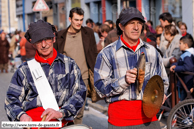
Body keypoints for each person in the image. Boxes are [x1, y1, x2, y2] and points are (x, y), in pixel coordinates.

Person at [94, 7, 169, 129]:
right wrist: (123, 81)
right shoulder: (107, 53)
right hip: (120, 121)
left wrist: (161, 94)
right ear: (121, 26)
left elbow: (163, 81)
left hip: (150, 119)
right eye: (131, 23)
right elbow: (100, 88)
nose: (136, 27)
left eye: (139, 23)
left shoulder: (152, 51)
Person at [5, 20, 86, 128]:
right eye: (39, 41)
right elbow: (11, 100)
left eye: (47, 39)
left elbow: (80, 93)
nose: (44, 45)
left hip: (62, 123)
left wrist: (62, 112)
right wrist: (21, 116)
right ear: (33, 43)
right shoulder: (24, 70)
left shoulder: (69, 64)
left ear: (53, 38)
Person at [54, 7, 98, 124]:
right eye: (76, 20)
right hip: (65, 80)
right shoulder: (60, 35)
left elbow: (93, 54)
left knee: (79, 113)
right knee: (65, 112)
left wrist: (95, 74)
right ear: (70, 19)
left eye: (81, 20)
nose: (79, 23)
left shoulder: (88, 33)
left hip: (83, 79)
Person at [170, 34, 194, 101]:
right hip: (188, 81)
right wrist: (175, 64)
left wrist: (176, 68)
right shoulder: (189, 54)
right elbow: (181, 63)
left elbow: (188, 67)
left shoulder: (187, 55)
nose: (179, 45)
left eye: (180, 43)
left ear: (185, 45)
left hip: (187, 82)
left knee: (184, 101)